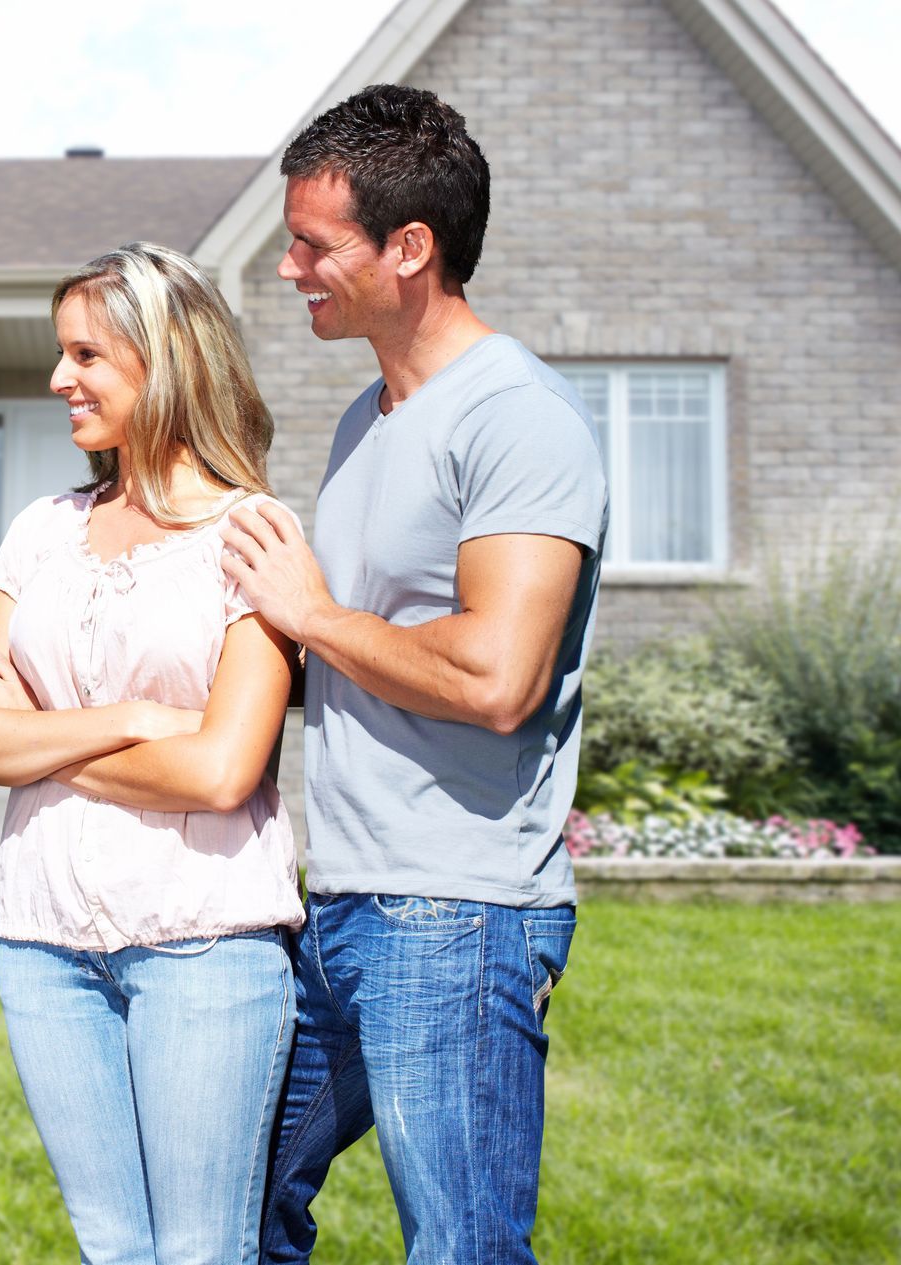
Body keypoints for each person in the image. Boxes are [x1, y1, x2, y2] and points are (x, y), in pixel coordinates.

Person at [219, 85, 609, 1264]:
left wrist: (312, 612)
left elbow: (499, 674)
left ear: (409, 247)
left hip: (457, 907)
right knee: (231, 1202)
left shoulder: (520, 419)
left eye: (312, 243)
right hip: (335, 902)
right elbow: (345, 643)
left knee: (462, 1246)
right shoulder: (364, 419)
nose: (290, 268)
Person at [0, 242, 303, 1265]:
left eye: (87, 355)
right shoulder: (43, 532)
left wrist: (38, 740)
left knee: (199, 1251)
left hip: (206, 943)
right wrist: (135, 715)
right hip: (43, 942)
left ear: (168, 359)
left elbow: (222, 771)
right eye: (63, 354)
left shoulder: (252, 537)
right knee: (110, 1246)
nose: (61, 379)